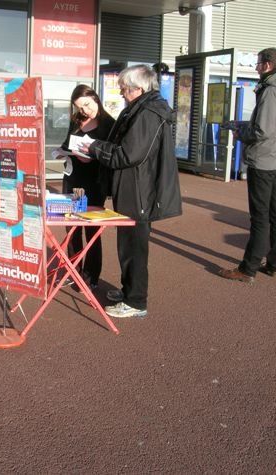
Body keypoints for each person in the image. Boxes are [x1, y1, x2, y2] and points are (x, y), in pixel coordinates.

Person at [81, 65, 182, 318]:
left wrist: (94, 147)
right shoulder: (141, 108)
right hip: (135, 187)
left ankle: (136, 301)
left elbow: (129, 154)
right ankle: (129, 291)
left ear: (139, 88)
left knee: (134, 247)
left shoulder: (147, 112)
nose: (122, 93)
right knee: (128, 245)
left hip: (140, 191)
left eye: (125, 88)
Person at [219, 48, 276, 283]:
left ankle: (247, 268)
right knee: (273, 215)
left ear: (269, 64)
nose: (256, 67)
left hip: (264, 161)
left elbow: (263, 130)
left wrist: (239, 130)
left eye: (259, 63)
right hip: (273, 159)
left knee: (260, 217)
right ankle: (272, 264)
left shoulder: (270, 89)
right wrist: (242, 123)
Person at [53, 85, 115, 289]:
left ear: (96, 99)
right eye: (79, 107)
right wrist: (62, 151)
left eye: (87, 105)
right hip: (72, 177)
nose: (84, 111)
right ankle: (74, 270)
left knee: (91, 230)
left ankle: (91, 275)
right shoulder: (76, 120)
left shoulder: (108, 124)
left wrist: (90, 156)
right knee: (71, 227)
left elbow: (111, 155)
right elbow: (66, 143)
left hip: (94, 182)